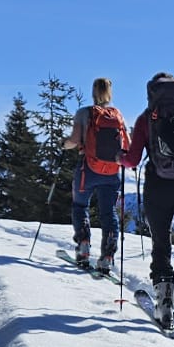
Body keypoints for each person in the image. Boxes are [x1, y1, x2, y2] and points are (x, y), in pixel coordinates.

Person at [121, 72, 174, 337]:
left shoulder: (147, 118)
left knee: (161, 245)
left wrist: (118, 156)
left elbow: (133, 160)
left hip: (158, 188)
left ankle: (165, 307)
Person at [63, 77, 128, 274]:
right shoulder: (118, 115)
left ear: (93, 91)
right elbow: (127, 145)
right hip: (112, 172)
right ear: (110, 92)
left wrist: (64, 144)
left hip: (88, 170)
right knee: (109, 213)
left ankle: (83, 247)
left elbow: (74, 140)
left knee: (80, 205)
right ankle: (107, 257)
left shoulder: (84, 113)